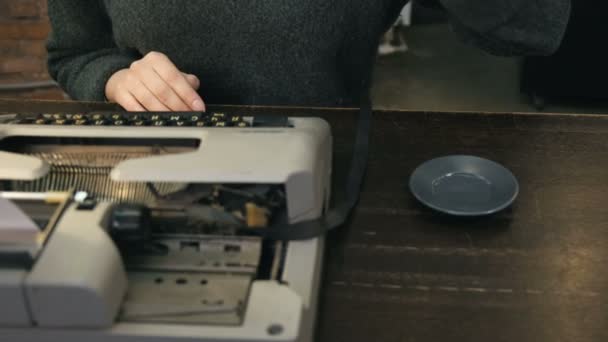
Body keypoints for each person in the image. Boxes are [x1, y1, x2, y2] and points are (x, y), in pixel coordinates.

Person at [46, 0, 570, 111]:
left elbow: (530, 29)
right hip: (152, 174)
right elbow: (75, 53)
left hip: (327, 168)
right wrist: (115, 78)